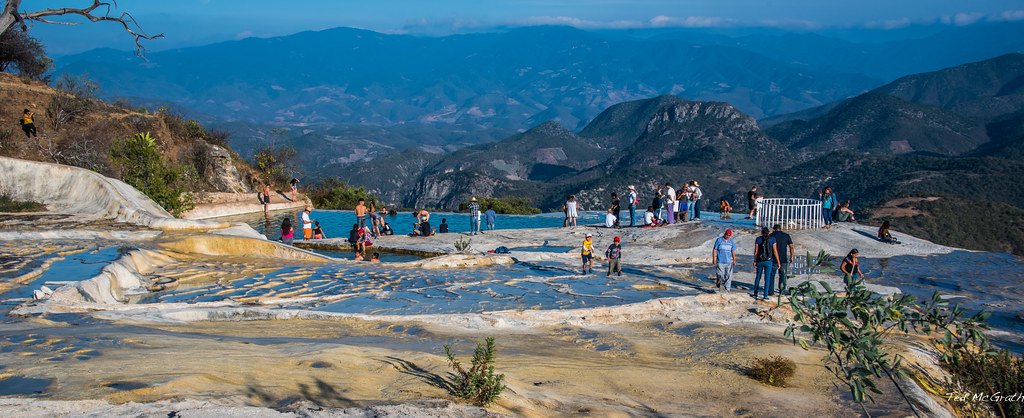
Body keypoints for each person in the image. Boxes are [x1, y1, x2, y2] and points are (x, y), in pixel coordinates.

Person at [752, 227, 779, 300]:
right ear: (768, 232)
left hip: (760, 261)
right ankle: (765, 295)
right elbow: (775, 251)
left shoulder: (758, 239)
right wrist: (778, 262)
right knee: (767, 278)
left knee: (758, 277)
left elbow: (756, 252)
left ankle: (755, 293)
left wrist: (754, 261)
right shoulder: (772, 239)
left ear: (762, 232)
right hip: (769, 261)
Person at [771, 224, 795, 293]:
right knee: (783, 275)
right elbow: (791, 246)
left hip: (773, 258)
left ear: (774, 229)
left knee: (772, 275)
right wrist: (791, 256)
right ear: (780, 228)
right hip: (783, 258)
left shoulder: (771, 235)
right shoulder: (786, 235)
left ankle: (771, 290)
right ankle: (782, 290)